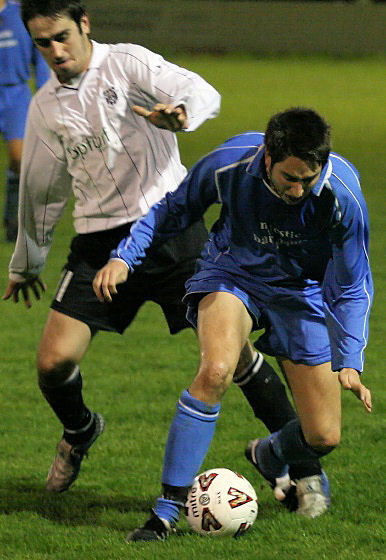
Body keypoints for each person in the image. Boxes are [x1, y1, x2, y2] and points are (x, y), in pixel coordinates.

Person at [1, 0, 319, 516]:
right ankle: (80, 430)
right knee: (52, 362)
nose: (55, 51)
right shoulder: (44, 109)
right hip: (100, 246)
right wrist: (26, 264)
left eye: (61, 36)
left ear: (84, 25)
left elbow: (201, 90)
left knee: (231, 356)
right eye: (42, 43)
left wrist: (183, 114)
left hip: (174, 232)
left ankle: (302, 469)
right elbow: (39, 193)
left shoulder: (129, 64)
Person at [93, 107, 373, 542]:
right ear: (267, 159)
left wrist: (351, 357)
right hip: (233, 276)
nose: (299, 189)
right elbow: (174, 209)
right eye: (289, 178)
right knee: (217, 370)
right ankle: (165, 512)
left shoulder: (343, 195)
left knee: (323, 436)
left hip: (302, 294)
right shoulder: (231, 163)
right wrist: (124, 256)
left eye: (308, 179)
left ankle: (270, 451)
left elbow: (354, 286)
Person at [0, 0, 49, 241]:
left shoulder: (20, 12)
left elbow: (39, 54)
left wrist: (45, 89)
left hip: (15, 95)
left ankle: (12, 218)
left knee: (19, 159)